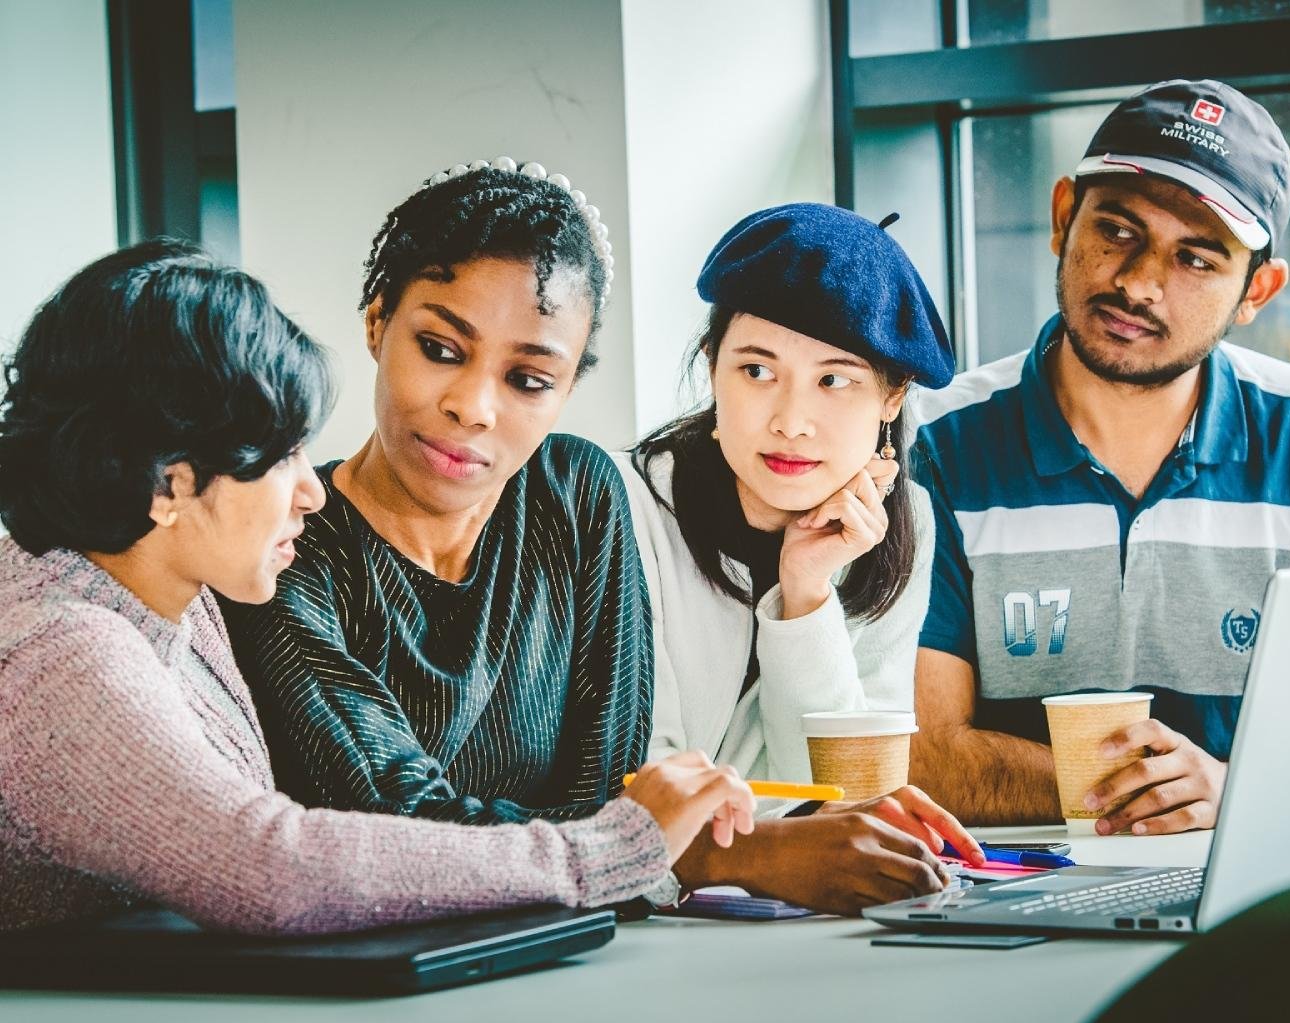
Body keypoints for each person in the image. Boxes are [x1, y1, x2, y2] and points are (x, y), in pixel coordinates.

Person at [0, 240, 754, 935]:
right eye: (280, 456)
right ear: (169, 485)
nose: (311, 492)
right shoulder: (65, 646)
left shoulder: (172, 590)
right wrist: (607, 849)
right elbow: (273, 868)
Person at [908, 79, 1290, 835]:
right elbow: (920, 753)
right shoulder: (939, 441)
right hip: (1003, 904)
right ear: (1065, 217)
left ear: (1258, 289)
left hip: (1255, 897)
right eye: (1118, 230)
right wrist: (1157, 794)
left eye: (1196, 259)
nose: (1138, 283)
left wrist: (1236, 792)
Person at [221, 158, 654, 826]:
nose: (473, 407)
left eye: (529, 380)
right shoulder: (286, 543)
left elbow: (613, 796)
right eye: (442, 349)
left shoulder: (577, 494)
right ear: (377, 323)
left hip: (583, 926)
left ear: (565, 391)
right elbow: (395, 823)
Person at [617, 204, 984, 916]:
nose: (790, 419)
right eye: (757, 370)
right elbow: (639, 790)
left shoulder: (905, 526)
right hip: (637, 924)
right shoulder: (626, 505)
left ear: (892, 395)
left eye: (834, 380)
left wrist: (807, 590)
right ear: (712, 369)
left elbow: (835, 795)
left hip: (791, 925)